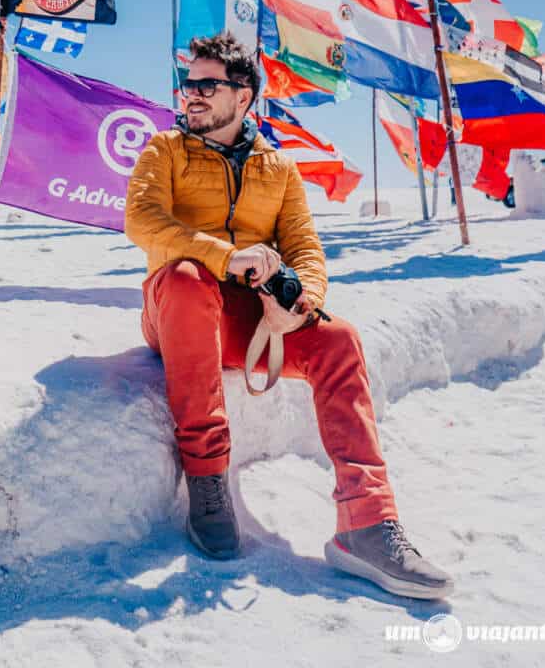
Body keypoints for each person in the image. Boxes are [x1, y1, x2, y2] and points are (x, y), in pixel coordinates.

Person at [125, 31, 452, 600]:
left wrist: (297, 303)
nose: (192, 94)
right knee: (184, 278)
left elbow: (305, 249)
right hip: (173, 307)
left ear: (243, 96)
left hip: (249, 320)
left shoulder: (278, 169)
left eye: (207, 84)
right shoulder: (165, 150)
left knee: (339, 339)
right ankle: (207, 483)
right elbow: (143, 222)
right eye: (188, 83)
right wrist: (227, 256)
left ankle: (366, 524)